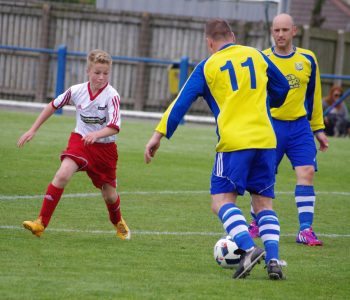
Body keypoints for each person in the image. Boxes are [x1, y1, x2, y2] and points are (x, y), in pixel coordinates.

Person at [144, 19, 289, 280]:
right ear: (232, 36)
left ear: (209, 42)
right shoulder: (256, 55)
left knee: (220, 201)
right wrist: (267, 102)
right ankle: (274, 261)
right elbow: (282, 88)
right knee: (264, 204)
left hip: (234, 143)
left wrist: (158, 135)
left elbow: (181, 101)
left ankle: (248, 248)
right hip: (267, 140)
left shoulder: (208, 66)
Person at [17, 49, 130, 240]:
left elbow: (114, 127)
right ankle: (41, 223)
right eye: (97, 72)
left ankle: (118, 221)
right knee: (62, 174)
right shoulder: (76, 90)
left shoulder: (112, 96)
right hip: (81, 142)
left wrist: (97, 134)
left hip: (105, 150)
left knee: (109, 195)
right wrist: (33, 129)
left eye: (105, 73)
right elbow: (53, 105)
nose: (101, 77)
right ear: (88, 71)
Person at [248, 13, 329, 246]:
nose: (280, 35)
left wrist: (318, 129)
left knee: (307, 173)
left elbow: (314, 96)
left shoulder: (307, 59)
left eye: (285, 30)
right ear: (272, 32)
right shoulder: (262, 59)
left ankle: (305, 230)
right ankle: (255, 222)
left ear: (294, 31)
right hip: (270, 126)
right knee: (263, 177)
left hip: (300, 127)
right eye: (276, 30)